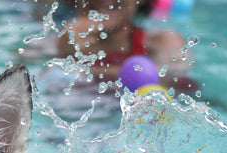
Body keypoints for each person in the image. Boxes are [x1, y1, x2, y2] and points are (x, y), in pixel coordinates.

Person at [54, 0, 199, 94]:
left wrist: (78, 70)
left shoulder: (162, 41)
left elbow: (178, 80)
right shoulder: (59, 41)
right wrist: (65, 51)